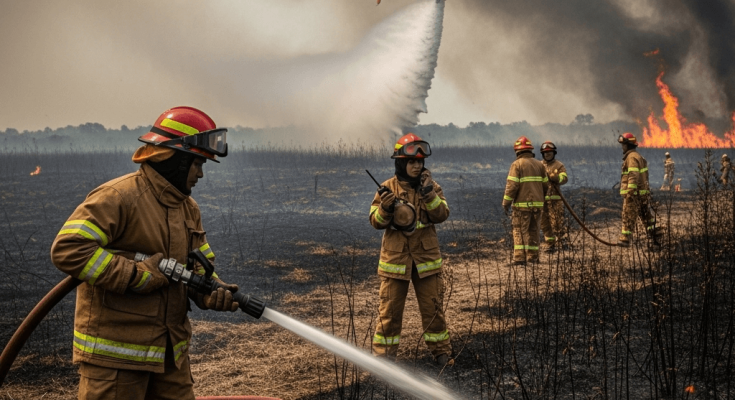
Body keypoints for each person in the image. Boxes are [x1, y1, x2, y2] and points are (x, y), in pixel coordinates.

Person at [51, 106, 240, 400]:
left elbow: (196, 269)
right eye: (197, 163)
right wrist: (137, 275)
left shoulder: (188, 209)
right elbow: (69, 249)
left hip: (170, 358)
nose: (201, 174)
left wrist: (210, 291)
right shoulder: (118, 197)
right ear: (177, 159)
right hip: (116, 361)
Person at [369, 133, 452, 365]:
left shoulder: (432, 187)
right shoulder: (386, 188)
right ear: (401, 163)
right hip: (396, 263)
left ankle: (442, 353)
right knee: (389, 314)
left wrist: (428, 193)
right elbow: (375, 221)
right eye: (412, 162)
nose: (417, 166)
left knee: (433, 310)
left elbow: (442, 215)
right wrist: (385, 209)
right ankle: (383, 360)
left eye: (420, 162)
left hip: (426, 261)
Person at [502, 136, 549, 265]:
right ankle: (533, 257)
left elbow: (512, 186)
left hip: (522, 206)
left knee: (519, 230)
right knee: (534, 230)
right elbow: (546, 185)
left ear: (517, 151)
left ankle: (520, 258)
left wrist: (506, 203)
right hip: (538, 205)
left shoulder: (517, 164)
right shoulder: (540, 165)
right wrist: (540, 199)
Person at [617, 132, 659, 246]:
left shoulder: (631, 157)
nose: (622, 147)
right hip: (642, 193)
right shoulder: (638, 156)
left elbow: (633, 174)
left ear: (628, 145)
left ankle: (625, 239)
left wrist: (630, 191)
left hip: (634, 194)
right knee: (646, 216)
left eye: (623, 144)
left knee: (628, 215)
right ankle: (656, 236)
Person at [538, 141, 568, 252]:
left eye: (549, 152)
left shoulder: (559, 165)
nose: (547, 154)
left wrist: (556, 178)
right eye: (545, 153)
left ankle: (562, 242)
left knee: (557, 222)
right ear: (542, 154)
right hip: (542, 200)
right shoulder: (539, 166)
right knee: (544, 223)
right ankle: (550, 243)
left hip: (555, 199)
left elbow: (564, 179)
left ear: (554, 153)